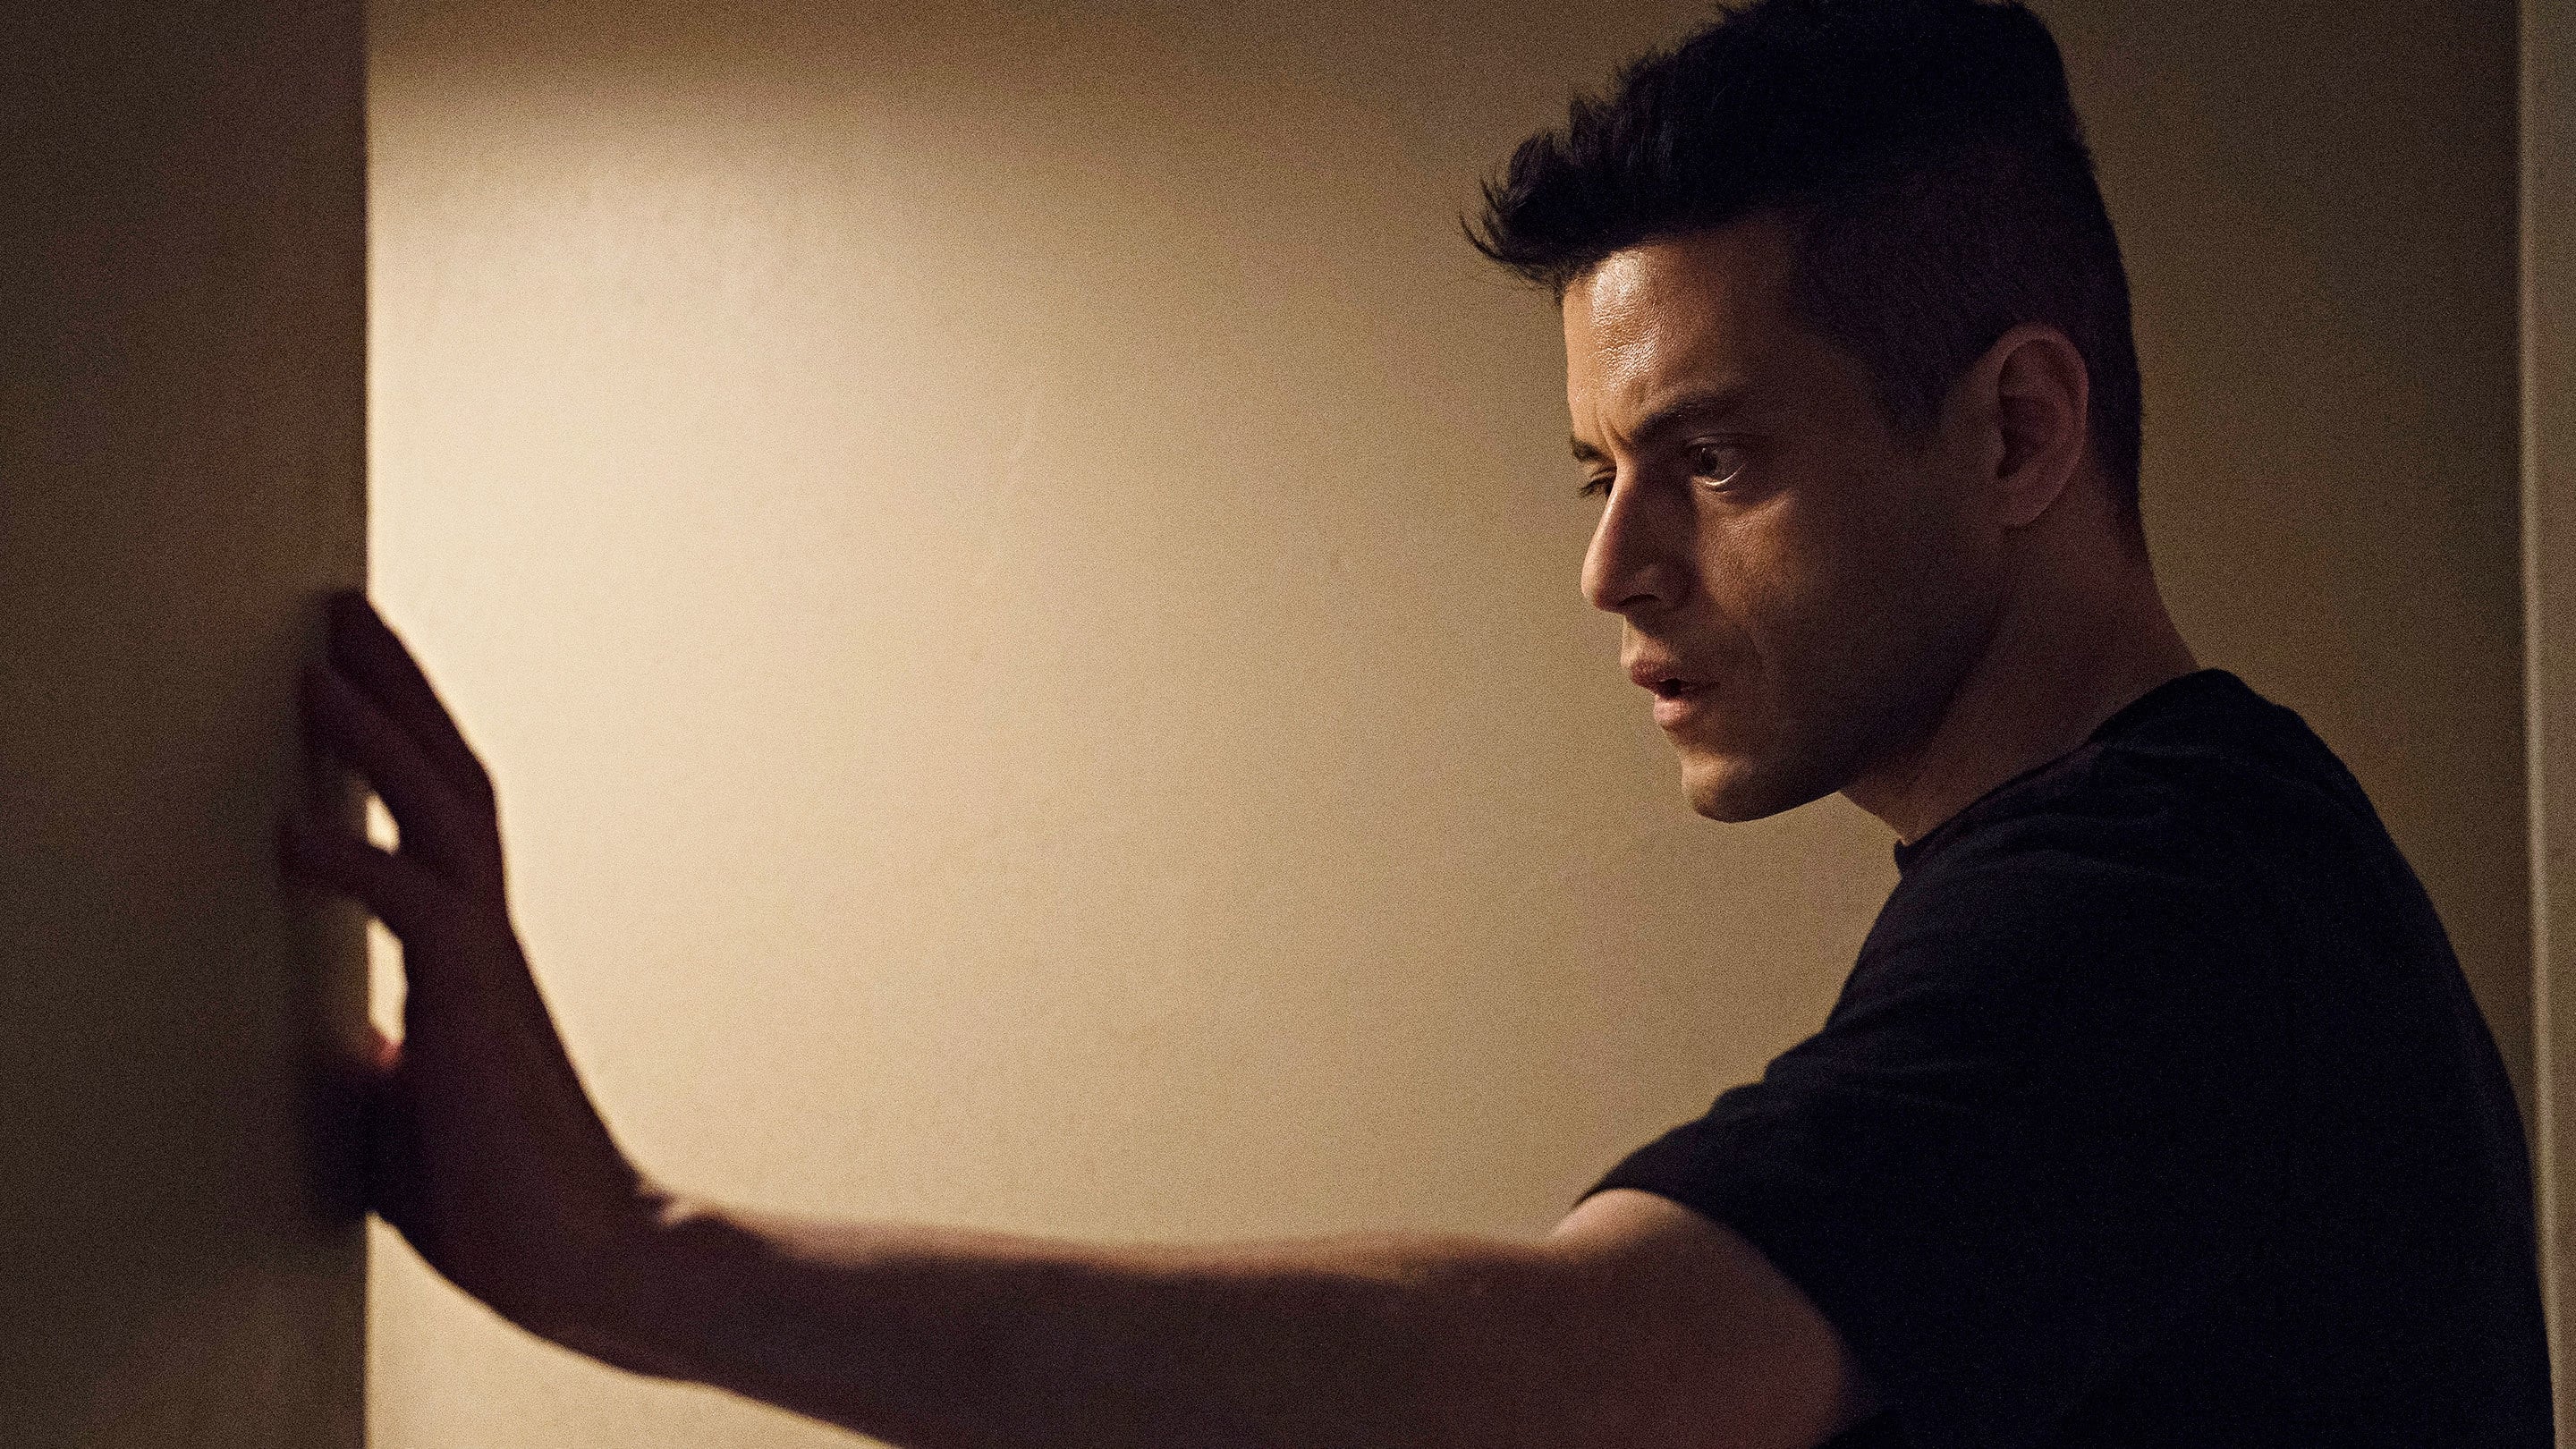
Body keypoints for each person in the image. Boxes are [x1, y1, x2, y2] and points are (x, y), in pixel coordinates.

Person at [281, 0, 2553, 1445]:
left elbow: (1566, 1377)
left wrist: (636, 1256)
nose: (1614, 566)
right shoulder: (2171, 884)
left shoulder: (2172, 913)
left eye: (1714, 459)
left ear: (2020, 427)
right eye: (1597, 476)